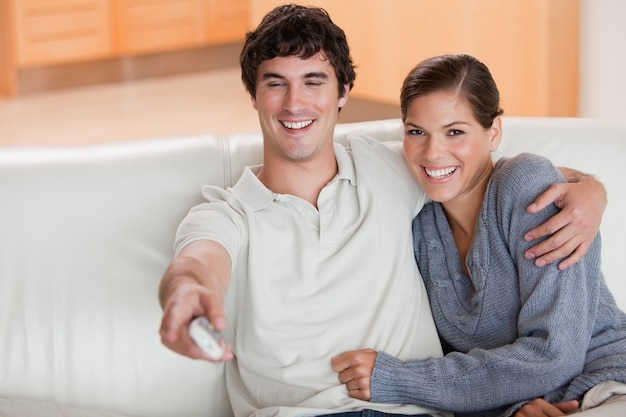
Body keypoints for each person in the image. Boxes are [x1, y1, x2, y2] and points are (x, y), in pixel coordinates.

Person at [158, 5, 607, 417]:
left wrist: (590, 187)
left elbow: (476, 168)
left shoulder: (389, 169)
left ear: (343, 93)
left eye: (314, 81)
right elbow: (198, 263)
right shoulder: (225, 211)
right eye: (276, 83)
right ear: (253, 95)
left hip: (407, 410)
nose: (295, 103)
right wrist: (186, 293)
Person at [331, 54, 626, 417]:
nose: (433, 153)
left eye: (455, 132)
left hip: (605, 385)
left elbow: (554, 353)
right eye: (416, 132)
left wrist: (400, 378)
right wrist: (514, 408)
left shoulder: (524, 186)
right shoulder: (417, 219)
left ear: (494, 132)